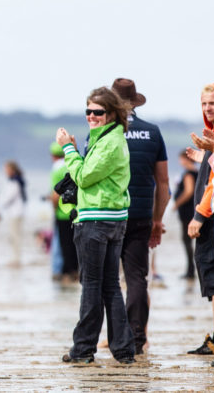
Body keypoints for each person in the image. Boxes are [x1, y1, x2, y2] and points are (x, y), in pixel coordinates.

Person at [56, 86, 135, 365]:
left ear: (112, 114)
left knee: (92, 285)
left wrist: (68, 149)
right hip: (111, 219)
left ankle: (83, 350)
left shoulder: (110, 141)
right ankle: (124, 350)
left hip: (97, 220)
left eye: (98, 112)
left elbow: (84, 177)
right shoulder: (106, 138)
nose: (92, 116)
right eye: (88, 111)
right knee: (109, 286)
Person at [111, 78, 170, 356]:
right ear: (135, 102)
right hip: (141, 215)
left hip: (109, 214)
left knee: (107, 279)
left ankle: (113, 337)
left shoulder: (102, 133)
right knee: (136, 278)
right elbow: (164, 184)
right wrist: (157, 220)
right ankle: (137, 338)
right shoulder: (153, 132)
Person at [184, 83, 214, 356]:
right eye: (205, 104)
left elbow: (213, 185)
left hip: (211, 211)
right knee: (211, 273)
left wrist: (198, 215)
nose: (208, 108)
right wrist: (204, 155)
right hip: (210, 212)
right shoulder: (213, 134)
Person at [49, 142, 76, 281]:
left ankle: (66, 273)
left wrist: (53, 208)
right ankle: (75, 272)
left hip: (62, 212)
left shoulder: (57, 167)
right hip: (75, 211)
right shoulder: (71, 163)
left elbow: (55, 194)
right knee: (74, 243)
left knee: (64, 244)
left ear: (52, 155)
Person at [173, 149, 198, 280]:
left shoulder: (189, 174)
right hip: (194, 211)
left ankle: (190, 271)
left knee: (186, 241)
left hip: (187, 212)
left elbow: (189, 191)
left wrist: (176, 204)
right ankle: (192, 269)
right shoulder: (198, 172)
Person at [0, 160, 27, 266]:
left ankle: (16, 259)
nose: (5, 171)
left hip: (16, 212)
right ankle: (16, 257)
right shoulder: (17, 181)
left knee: (15, 236)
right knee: (15, 235)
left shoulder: (14, 182)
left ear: (12, 170)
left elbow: (9, 197)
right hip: (17, 211)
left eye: (6, 169)